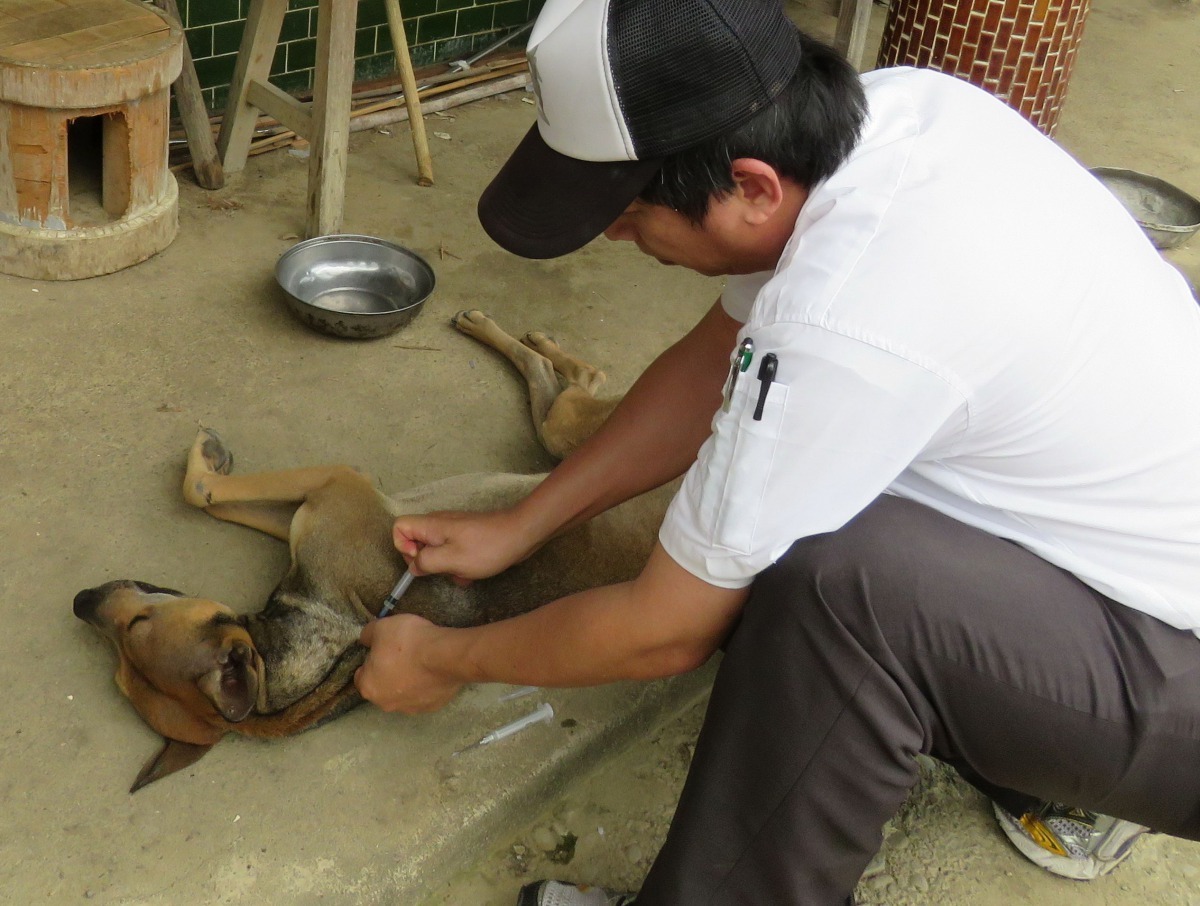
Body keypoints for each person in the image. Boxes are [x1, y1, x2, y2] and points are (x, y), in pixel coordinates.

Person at [352, 0, 1200, 902]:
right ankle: (1027, 753)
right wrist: (523, 525)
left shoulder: (847, 316)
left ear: (751, 188)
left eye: (628, 213)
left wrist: (440, 660)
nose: (614, 236)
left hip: (1173, 667)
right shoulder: (894, 117)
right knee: (778, 504)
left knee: (838, 592)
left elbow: (662, 630)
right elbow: (721, 358)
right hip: (1133, 562)